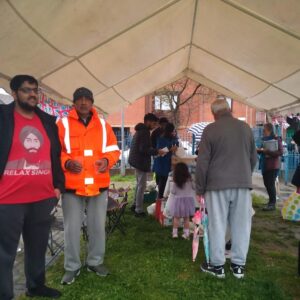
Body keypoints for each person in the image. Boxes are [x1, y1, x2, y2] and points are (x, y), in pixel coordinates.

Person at [0, 75, 65, 299]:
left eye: (35, 90)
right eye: (27, 90)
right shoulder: (3, 118)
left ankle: (36, 286)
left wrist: (58, 186)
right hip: (7, 200)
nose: (32, 94)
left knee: (37, 248)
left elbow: (56, 155)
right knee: (4, 254)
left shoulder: (47, 121)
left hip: (42, 198)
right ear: (14, 92)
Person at [56, 87, 120, 285]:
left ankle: (95, 261)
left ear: (92, 102)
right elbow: (54, 151)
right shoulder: (62, 124)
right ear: (74, 102)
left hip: (98, 185)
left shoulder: (103, 125)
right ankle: (72, 267)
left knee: (97, 227)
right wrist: (66, 162)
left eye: (87, 99)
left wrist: (106, 161)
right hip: (72, 187)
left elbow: (114, 150)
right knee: (71, 229)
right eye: (79, 99)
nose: (83, 102)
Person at [195, 99, 257, 279]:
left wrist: (200, 187)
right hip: (242, 183)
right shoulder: (246, 128)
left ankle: (217, 266)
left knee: (217, 224)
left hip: (216, 185)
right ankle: (238, 266)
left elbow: (202, 163)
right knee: (242, 225)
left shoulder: (210, 130)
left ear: (214, 114)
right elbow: (253, 158)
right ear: (229, 110)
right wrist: (245, 174)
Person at [129, 113, 165, 217]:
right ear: (148, 121)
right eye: (154, 124)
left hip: (136, 160)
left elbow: (143, 147)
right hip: (140, 162)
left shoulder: (140, 130)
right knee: (142, 186)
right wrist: (157, 151)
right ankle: (138, 210)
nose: (154, 126)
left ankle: (135, 204)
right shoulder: (144, 132)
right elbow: (144, 149)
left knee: (139, 184)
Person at [257, 123, 283, 211]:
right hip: (265, 164)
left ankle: (272, 204)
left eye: (264, 130)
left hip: (273, 165)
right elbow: (262, 150)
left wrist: (267, 151)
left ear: (269, 130)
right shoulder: (264, 139)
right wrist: (259, 150)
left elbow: (280, 152)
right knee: (266, 183)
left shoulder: (276, 139)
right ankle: (270, 201)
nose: (263, 131)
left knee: (270, 184)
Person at [167, 163, 195, 239]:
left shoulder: (176, 182)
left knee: (176, 218)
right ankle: (186, 234)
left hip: (177, 202)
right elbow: (194, 187)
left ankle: (175, 233)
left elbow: (173, 192)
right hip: (188, 202)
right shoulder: (190, 181)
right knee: (186, 218)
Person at [152, 123, 178, 199]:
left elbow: (174, 144)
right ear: (169, 131)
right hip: (161, 165)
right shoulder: (161, 139)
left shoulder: (172, 138)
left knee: (164, 185)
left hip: (166, 165)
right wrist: (170, 149)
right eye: (173, 131)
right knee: (162, 185)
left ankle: (161, 200)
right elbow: (160, 153)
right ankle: (159, 202)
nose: (174, 132)